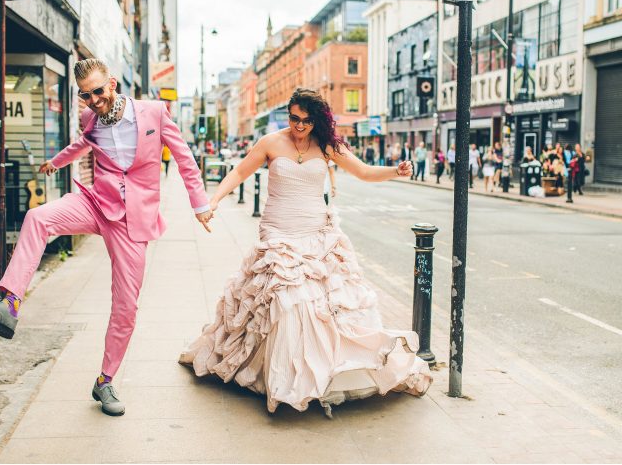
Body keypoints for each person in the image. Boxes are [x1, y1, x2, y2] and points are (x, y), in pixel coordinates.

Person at [0, 58, 213, 417]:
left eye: (98, 91)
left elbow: (185, 159)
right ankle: (9, 304)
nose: (93, 100)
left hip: (133, 221)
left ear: (112, 84)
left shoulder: (154, 113)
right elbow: (84, 143)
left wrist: (200, 204)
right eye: (85, 95)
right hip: (97, 203)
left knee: (125, 307)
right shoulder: (89, 118)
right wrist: (56, 162)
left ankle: (105, 381)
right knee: (37, 216)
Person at [179, 88, 432, 418]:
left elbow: (365, 172)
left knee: (320, 308)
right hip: (278, 233)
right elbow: (240, 172)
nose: (299, 125)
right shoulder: (271, 142)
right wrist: (213, 201)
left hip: (317, 234)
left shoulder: (326, 145)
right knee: (286, 302)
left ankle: (318, 373)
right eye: (294, 118)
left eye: (306, 120)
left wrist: (394, 171)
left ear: (317, 120)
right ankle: (284, 378)